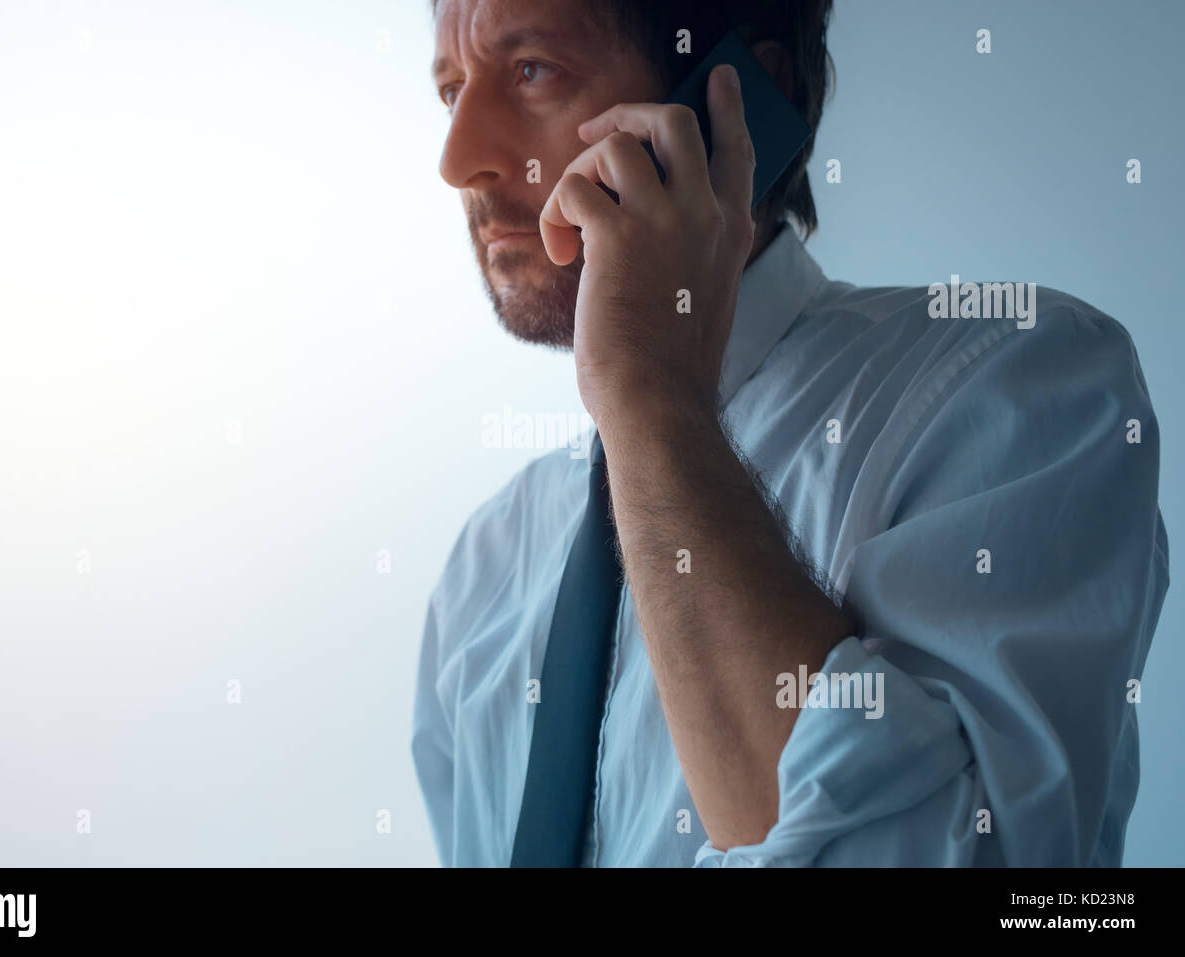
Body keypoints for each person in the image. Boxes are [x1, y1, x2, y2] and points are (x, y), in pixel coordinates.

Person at [412, 0, 1168, 866]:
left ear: (739, 100)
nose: (459, 159)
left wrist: (649, 394)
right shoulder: (483, 573)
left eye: (531, 70)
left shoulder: (1023, 392)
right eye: (451, 91)